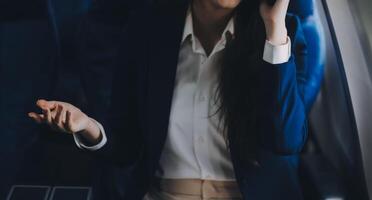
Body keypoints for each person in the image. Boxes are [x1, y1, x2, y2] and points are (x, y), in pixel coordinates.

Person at [29, 0, 308, 199]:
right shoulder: (147, 30)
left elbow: (286, 141)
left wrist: (274, 29)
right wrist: (86, 124)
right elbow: (126, 147)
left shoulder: (282, 34)